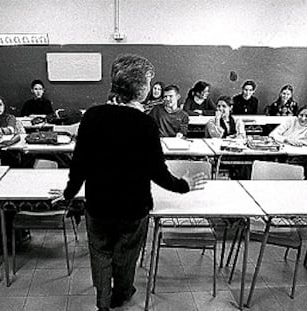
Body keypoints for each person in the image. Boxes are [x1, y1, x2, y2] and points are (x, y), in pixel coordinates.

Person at [49, 54, 206, 311]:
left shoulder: (92, 116)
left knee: (100, 253)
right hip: (133, 208)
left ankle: (102, 300)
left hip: (98, 205)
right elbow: (158, 172)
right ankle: (121, 294)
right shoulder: (145, 123)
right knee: (126, 256)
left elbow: (79, 165)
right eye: (149, 81)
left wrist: (68, 194)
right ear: (141, 88)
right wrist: (183, 184)